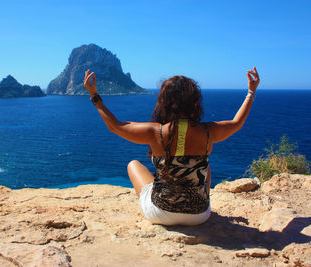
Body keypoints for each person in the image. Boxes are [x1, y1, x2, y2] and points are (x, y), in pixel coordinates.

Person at [83, 67, 260, 226]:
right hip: (199, 216)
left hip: (161, 213)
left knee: (133, 165)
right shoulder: (208, 132)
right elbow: (237, 123)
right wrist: (251, 92)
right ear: (194, 102)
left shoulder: (155, 132)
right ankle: (192, 202)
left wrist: (95, 96)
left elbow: (116, 126)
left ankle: (167, 199)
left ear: (164, 101)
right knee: (206, 168)